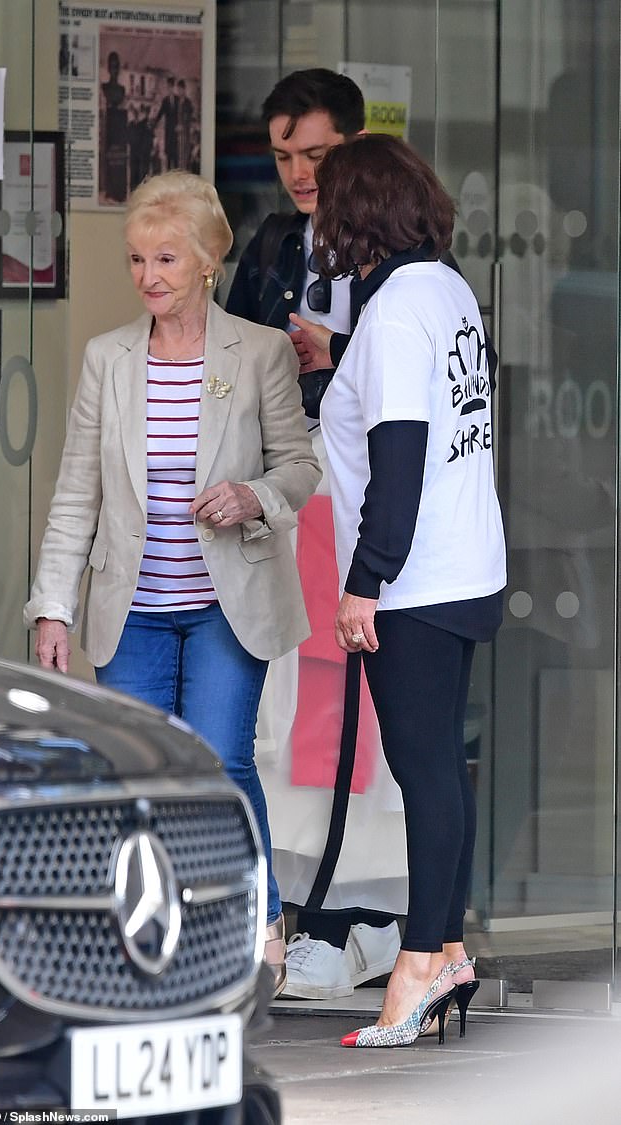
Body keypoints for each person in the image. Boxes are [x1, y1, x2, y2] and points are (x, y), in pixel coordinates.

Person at [23, 170, 321, 997]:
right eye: (136, 260)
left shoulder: (257, 352)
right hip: (136, 610)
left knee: (221, 760)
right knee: (142, 777)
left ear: (206, 263)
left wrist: (252, 496)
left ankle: (257, 925)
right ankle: (159, 941)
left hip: (229, 606)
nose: (149, 276)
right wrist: (51, 604)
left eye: (165, 258)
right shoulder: (108, 359)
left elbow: (301, 467)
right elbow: (76, 489)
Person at [310, 133, 506, 1046]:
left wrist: (364, 583)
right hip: (468, 568)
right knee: (443, 773)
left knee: (424, 770)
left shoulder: (393, 313)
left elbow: (401, 455)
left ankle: (418, 963)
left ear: (356, 218)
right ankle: (451, 949)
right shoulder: (449, 290)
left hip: (414, 580)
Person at [227, 68, 402, 1001]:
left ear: (356, 144)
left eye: (318, 153)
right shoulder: (271, 243)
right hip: (289, 495)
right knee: (286, 711)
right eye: (286, 155)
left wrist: (330, 356)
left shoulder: (391, 255)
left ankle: (363, 911)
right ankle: (317, 910)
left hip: (362, 498)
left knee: (352, 708)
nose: (300, 173)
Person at [101, 51, 128, 203]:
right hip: (110, 130)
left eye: (117, 66)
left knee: (118, 160)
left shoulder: (122, 90)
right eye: (112, 66)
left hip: (119, 130)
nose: (115, 69)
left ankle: (118, 191)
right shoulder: (104, 88)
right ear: (108, 69)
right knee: (110, 159)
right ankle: (111, 190)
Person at [155, 76, 179, 171]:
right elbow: (160, 113)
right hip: (168, 132)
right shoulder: (165, 101)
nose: (170, 89)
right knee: (168, 156)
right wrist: (154, 122)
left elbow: (181, 115)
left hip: (176, 132)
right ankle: (169, 176)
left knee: (176, 157)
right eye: (168, 87)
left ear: (174, 87)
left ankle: (176, 177)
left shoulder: (178, 100)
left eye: (171, 87)